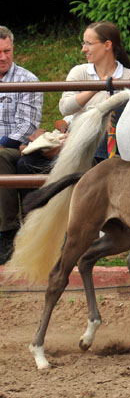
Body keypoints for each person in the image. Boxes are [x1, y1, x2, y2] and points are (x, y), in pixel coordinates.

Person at [59, 21, 130, 160]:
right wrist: (96, 88)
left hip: (104, 142)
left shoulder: (129, 76)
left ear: (107, 45)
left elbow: (125, 118)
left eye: (88, 43)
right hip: (77, 140)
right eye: (83, 43)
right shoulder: (79, 71)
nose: (83, 49)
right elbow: (65, 108)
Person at [0, 25, 43, 264]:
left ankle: (6, 232)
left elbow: (27, 125)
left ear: (13, 48)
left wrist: (2, 144)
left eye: (7, 51)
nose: (4, 57)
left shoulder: (28, 79)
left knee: (2, 157)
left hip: (17, 148)